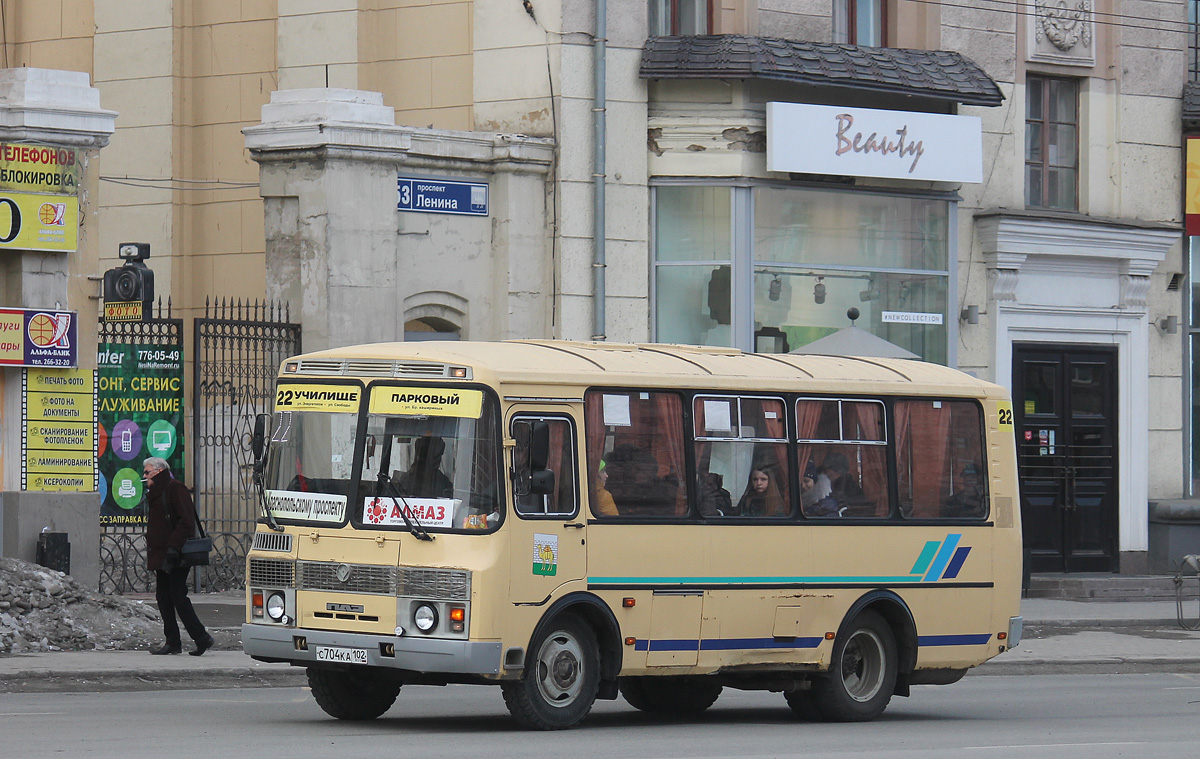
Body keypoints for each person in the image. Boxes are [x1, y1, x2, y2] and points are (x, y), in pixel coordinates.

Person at [143, 456, 214, 656]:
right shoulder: (157, 492)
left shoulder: (175, 488)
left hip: (177, 554)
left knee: (177, 596)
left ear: (158, 471)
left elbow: (186, 521)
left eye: (147, 472)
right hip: (163, 554)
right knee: (164, 598)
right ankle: (173, 641)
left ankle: (201, 638)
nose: (144, 476)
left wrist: (173, 548)